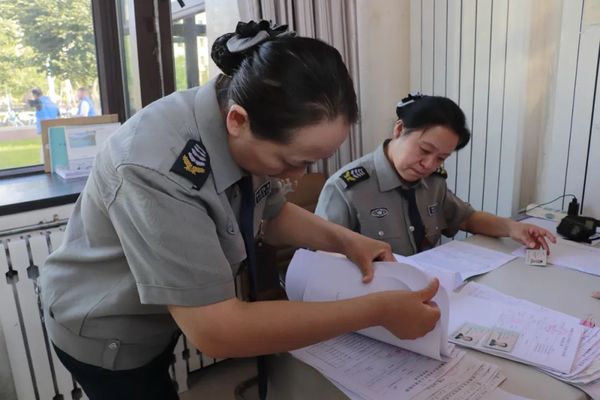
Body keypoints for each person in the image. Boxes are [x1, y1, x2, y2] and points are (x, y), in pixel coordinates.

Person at [41, 21, 441, 400]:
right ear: (238, 120)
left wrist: (347, 240)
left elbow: (272, 212)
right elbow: (216, 332)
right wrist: (377, 310)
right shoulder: (156, 166)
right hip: (110, 330)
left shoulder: (246, 116)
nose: (298, 176)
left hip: (160, 314)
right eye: (292, 161)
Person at [315, 94, 556, 256]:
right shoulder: (346, 189)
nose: (429, 165)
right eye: (424, 150)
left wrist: (512, 228)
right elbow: (323, 262)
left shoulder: (432, 182)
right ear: (399, 129)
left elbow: (466, 218)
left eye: (441, 158)